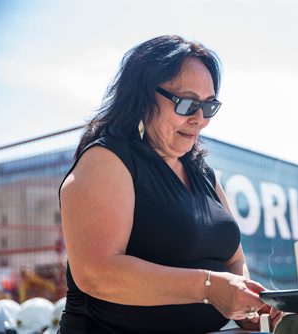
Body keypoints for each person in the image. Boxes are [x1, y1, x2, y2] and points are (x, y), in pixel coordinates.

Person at [58, 35, 282, 333]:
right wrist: (209, 287)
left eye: (209, 106)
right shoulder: (107, 160)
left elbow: (234, 260)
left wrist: (246, 307)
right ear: (142, 97)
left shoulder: (204, 173)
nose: (201, 119)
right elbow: (97, 274)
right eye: (187, 103)